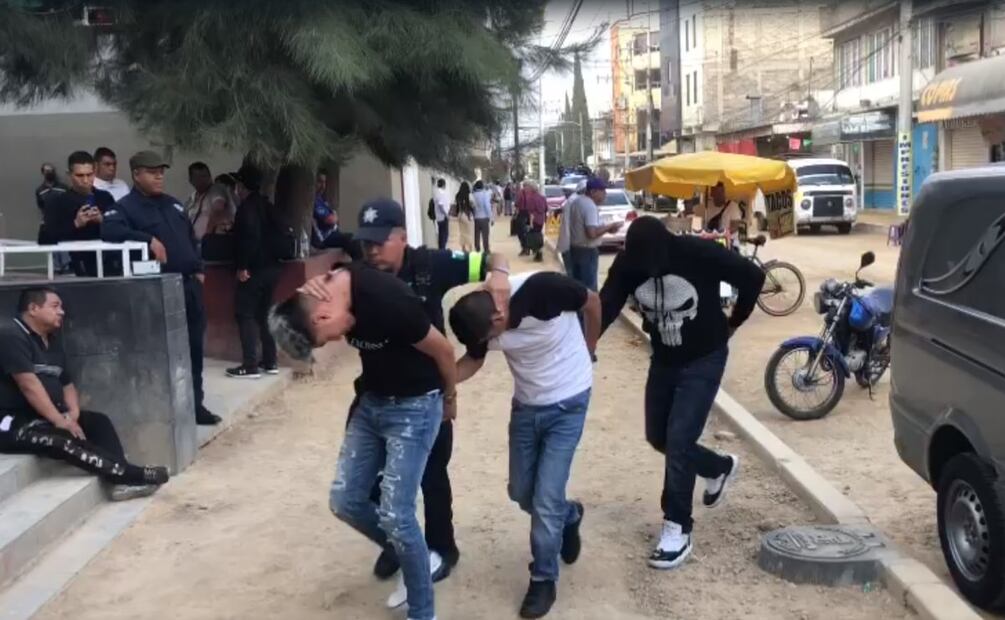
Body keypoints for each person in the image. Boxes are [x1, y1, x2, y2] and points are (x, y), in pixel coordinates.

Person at [299, 198, 510, 594]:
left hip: (425, 397)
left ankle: (443, 549)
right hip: (375, 395)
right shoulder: (356, 275)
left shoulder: (433, 266)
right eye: (367, 243)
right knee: (367, 485)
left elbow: (492, 258)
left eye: (382, 241)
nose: (373, 250)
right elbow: (317, 298)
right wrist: (312, 287)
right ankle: (398, 542)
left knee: (432, 476)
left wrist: (498, 271)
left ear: (403, 238)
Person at [270, 260, 459, 620]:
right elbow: (346, 255)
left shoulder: (388, 300)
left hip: (416, 404)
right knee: (345, 500)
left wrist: (449, 399)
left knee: (395, 514)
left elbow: (444, 351)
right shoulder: (328, 293)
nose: (339, 340)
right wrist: (313, 283)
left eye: (328, 338)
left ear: (321, 318)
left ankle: (422, 612)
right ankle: (415, 558)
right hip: (372, 401)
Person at [597, 216, 764, 570]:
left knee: (679, 439)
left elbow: (753, 277)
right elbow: (606, 307)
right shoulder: (628, 264)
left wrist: (734, 320)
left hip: (706, 356)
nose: (650, 269)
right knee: (658, 436)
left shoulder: (697, 252)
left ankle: (677, 528)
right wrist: (585, 345)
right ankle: (719, 466)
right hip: (664, 359)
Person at [449, 271, 600, 618]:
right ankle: (570, 516)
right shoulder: (479, 319)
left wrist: (591, 345)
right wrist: (441, 380)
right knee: (520, 492)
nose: (487, 343)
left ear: (498, 316)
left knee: (545, 499)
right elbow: (473, 359)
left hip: (569, 400)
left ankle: (544, 578)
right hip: (527, 407)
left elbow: (592, 301)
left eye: (489, 336)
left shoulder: (543, 290)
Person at [0, 287, 170, 501]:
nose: (61, 312)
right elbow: (28, 385)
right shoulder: (11, 336)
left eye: (61, 307)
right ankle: (130, 474)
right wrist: (59, 421)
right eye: (55, 306)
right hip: (12, 424)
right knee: (62, 440)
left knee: (98, 422)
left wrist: (73, 413)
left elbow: (67, 383)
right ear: (33, 308)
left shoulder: (51, 341)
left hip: (44, 416)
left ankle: (118, 482)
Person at [101, 150, 220, 426]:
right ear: (136, 174)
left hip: (189, 287)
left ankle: (195, 405)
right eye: (152, 172)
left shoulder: (173, 205)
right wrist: (146, 239)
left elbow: (191, 239)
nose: (159, 176)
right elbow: (110, 232)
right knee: (161, 352)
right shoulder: (126, 207)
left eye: (161, 172)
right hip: (158, 291)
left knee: (192, 349)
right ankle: (165, 408)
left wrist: (199, 269)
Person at [226, 163, 280, 379]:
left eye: (237, 185)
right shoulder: (267, 205)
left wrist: (243, 266)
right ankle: (270, 361)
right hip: (273, 269)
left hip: (254, 270)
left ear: (241, 186)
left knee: (245, 314)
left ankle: (250, 365)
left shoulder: (247, 208)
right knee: (264, 314)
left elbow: (249, 238)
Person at [40, 151, 118, 277]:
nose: (86, 180)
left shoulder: (105, 198)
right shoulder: (57, 202)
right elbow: (45, 238)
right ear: (69, 175)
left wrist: (102, 220)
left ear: (95, 172)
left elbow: (121, 229)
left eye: (89, 174)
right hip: (72, 268)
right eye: (80, 175)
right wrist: (76, 224)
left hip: (107, 265)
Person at [564, 178, 622, 292]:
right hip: (587, 251)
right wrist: (610, 226)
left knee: (579, 288)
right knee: (589, 289)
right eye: (603, 191)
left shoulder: (577, 202)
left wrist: (608, 229)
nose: (605, 194)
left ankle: (580, 310)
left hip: (575, 249)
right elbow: (591, 233)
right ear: (593, 192)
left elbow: (590, 227)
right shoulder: (589, 206)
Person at [184, 162, 234, 242]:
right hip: (194, 244)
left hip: (212, 243)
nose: (203, 180)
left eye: (205, 176)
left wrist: (208, 235)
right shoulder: (191, 199)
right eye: (198, 177)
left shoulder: (216, 189)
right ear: (191, 180)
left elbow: (218, 209)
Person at [519, 181, 548, 262]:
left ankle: (537, 253)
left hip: (534, 220)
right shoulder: (542, 198)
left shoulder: (531, 198)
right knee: (538, 235)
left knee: (533, 237)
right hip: (541, 220)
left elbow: (530, 212)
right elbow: (546, 209)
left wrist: (530, 223)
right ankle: (539, 252)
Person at [313, 169, 338, 244]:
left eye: (324, 182)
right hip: (324, 238)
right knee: (349, 239)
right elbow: (330, 220)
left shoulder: (321, 199)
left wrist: (334, 216)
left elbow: (334, 216)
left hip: (332, 233)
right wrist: (334, 217)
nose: (323, 186)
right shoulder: (314, 202)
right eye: (320, 182)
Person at [471, 180, 494, 254]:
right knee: (485, 234)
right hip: (484, 217)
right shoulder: (485, 194)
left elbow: (472, 206)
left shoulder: (473, 194)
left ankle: (477, 248)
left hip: (476, 217)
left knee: (477, 234)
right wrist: (491, 217)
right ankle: (486, 249)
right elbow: (487, 206)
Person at [455, 181, 475, 252]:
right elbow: (471, 206)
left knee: (462, 232)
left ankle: (463, 248)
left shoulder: (457, 195)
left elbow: (457, 206)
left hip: (460, 215)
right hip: (467, 215)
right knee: (469, 232)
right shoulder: (469, 195)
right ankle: (470, 248)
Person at [433, 178, 450, 250]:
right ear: (443, 185)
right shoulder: (439, 193)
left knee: (443, 233)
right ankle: (442, 249)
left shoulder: (439, 192)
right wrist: (446, 214)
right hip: (442, 216)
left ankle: (442, 248)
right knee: (444, 234)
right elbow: (440, 206)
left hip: (442, 216)